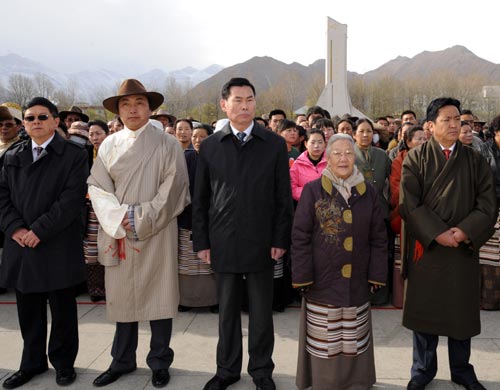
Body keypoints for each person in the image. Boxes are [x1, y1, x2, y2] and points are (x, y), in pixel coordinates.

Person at [192, 77, 293, 390]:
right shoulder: (210, 146)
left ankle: (261, 371)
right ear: (224, 104)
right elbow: (201, 199)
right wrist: (202, 242)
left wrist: (280, 239)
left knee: (262, 314)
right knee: (227, 313)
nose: (245, 105)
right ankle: (227, 371)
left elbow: (282, 197)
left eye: (250, 99)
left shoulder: (273, 144)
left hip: (263, 242)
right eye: (238, 99)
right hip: (223, 241)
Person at [88, 79, 190, 388]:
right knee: (122, 301)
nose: (133, 109)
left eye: (139, 103)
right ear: (118, 111)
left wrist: (140, 216)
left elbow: (175, 188)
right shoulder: (108, 144)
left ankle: (159, 362)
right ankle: (122, 360)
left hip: (156, 230)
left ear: (150, 108)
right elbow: (97, 187)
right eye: (126, 105)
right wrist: (120, 217)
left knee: (159, 298)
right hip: (119, 231)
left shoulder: (167, 143)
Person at [400, 97, 497, 390]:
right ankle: (422, 369)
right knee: (425, 312)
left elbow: (487, 205)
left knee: (460, 312)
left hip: (461, 249)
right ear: (430, 126)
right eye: (447, 119)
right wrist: (437, 233)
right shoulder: (415, 158)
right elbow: (409, 204)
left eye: (459, 120)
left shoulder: (475, 160)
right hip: (427, 248)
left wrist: (463, 232)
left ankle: (461, 369)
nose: (455, 125)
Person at [0, 97, 89, 388]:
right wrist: (15, 228)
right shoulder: (13, 155)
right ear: (23, 124)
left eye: (42, 116)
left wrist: (38, 230)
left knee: (63, 311)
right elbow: (1, 196)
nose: (35, 122)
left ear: (55, 120)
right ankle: (32, 363)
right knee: (28, 311)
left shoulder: (73, 155)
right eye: (29, 118)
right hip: (22, 245)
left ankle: (64, 364)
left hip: (56, 243)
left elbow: (71, 200)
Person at [292, 133, 387, 390]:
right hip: (322, 278)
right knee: (327, 334)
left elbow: (379, 237)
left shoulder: (368, 192)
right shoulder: (313, 191)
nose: (343, 158)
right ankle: (325, 381)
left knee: (353, 332)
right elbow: (300, 236)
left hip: (358, 276)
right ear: (328, 158)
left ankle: (355, 381)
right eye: (337, 153)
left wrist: (376, 274)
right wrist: (302, 276)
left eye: (348, 152)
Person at [388, 125, 426, 308]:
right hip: (406, 212)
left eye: (425, 138)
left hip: (428, 213)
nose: (423, 142)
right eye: (418, 138)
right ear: (408, 142)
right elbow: (396, 191)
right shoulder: (399, 161)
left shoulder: (432, 159)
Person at [83, 119, 110, 302]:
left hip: (109, 207)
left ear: (107, 134)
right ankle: (95, 289)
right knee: (91, 248)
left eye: (98, 133)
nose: (94, 137)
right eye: (91, 134)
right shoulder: (83, 154)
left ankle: (110, 287)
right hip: (89, 208)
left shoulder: (114, 153)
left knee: (108, 246)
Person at [478, 115, 500, 310]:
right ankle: (488, 299)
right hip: (490, 209)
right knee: (489, 258)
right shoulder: (483, 151)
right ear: (495, 133)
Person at [289, 128, 327, 201]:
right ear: (306, 144)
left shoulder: (332, 162)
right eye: (312, 142)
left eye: (320, 142)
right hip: (306, 204)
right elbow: (292, 188)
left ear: (325, 144)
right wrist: (310, 194)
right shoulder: (297, 164)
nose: (316, 146)